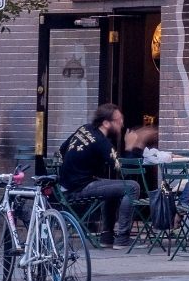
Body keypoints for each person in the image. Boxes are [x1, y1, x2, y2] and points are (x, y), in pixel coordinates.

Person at [58, 103, 142, 248]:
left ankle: (107, 237)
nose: (122, 123)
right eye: (118, 120)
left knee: (113, 187)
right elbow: (121, 169)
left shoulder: (84, 129)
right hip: (79, 189)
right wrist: (130, 146)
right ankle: (122, 238)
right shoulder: (103, 143)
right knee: (132, 187)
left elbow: (62, 148)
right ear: (106, 123)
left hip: (65, 186)